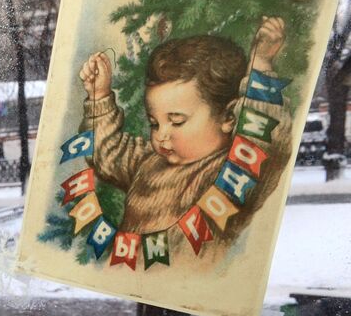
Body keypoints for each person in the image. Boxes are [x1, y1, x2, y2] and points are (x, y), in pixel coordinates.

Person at [79, 17, 289, 260]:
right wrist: (99, 96)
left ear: (229, 116)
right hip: (142, 283)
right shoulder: (150, 161)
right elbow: (107, 153)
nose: (161, 135)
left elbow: (265, 139)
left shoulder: (230, 173)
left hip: (196, 289)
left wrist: (260, 66)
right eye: (154, 123)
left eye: (177, 121)